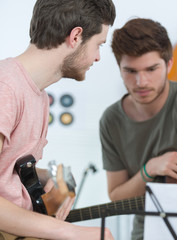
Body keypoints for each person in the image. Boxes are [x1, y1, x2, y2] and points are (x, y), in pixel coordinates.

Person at [0, 0, 116, 239]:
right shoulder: (6, 88)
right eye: (98, 45)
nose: (97, 58)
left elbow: (6, 170)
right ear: (75, 37)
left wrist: (43, 176)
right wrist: (68, 232)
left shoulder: (38, 96)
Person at [100, 18, 177, 240]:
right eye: (130, 71)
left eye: (151, 69)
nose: (141, 81)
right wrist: (150, 169)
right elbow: (117, 197)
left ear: (169, 65)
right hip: (148, 231)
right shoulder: (111, 120)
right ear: (119, 68)